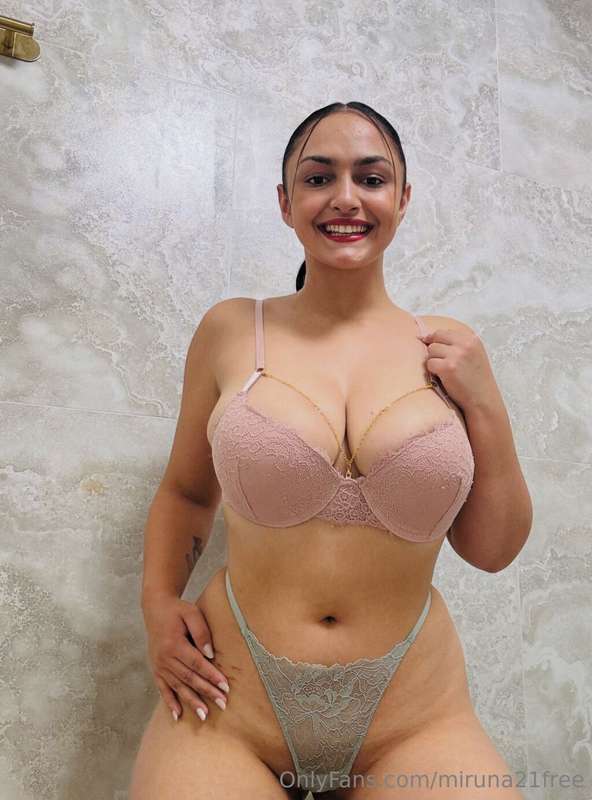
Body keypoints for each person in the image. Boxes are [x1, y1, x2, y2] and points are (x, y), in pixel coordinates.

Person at [130, 102, 533, 799]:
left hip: (414, 714)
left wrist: (487, 402)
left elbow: (493, 550)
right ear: (286, 202)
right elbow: (186, 494)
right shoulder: (233, 330)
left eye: (371, 178)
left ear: (402, 199)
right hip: (229, 704)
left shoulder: (449, 348)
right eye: (319, 178)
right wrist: (158, 604)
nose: (346, 197)